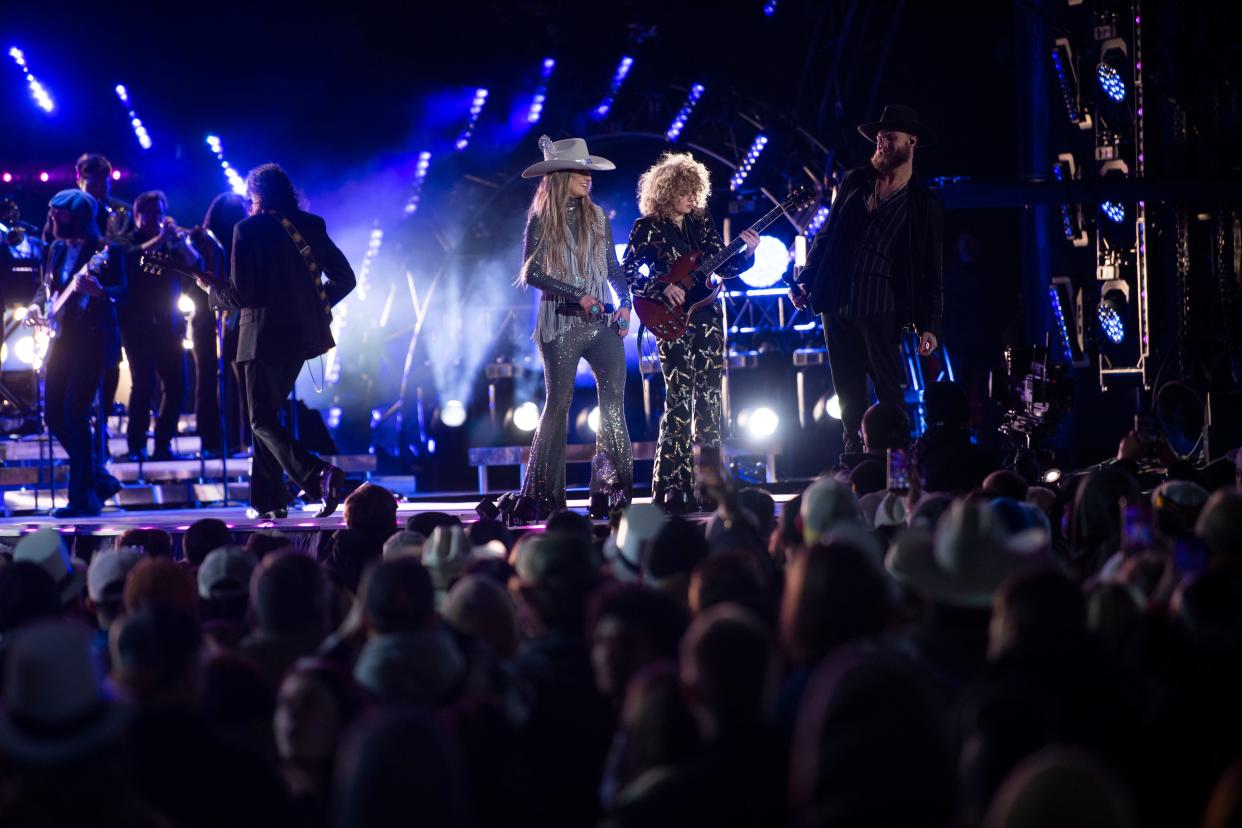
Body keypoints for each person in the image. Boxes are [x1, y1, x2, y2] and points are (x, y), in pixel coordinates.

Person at [197, 163, 355, 519]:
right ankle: (269, 501)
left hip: (260, 338)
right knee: (266, 420)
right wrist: (314, 308)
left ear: (256, 196)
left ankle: (316, 475)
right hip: (300, 337)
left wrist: (210, 291)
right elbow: (345, 279)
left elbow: (241, 294)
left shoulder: (247, 229)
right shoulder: (311, 225)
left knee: (261, 421)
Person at [791, 105, 944, 455]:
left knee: (889, 397)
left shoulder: (923, 202)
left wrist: (930, 324)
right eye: (879, 139)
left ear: (911, 142)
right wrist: (807, 280)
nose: (882, 144)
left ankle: (898, 471)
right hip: (838, 301)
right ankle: (855, 469)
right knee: (848, 399)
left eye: (890, 138)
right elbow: (826, 237)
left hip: (882, 306)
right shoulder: (856, 181)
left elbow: (931, 268)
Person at [623, 152, 759, 514]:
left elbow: (724, 267)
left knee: (712, 397)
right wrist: (660, 288)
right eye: (684, 190)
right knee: (680, 397)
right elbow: (625, 273)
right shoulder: (646, 227)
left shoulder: (702, 224)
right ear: (667, 190)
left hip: (708, 316)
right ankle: (672, 484)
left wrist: (747, 254)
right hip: (671, 317)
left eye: (695, 190)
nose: (690, 197)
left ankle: (710, 485)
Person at [511, 135, 633, 522]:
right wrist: (578, 294)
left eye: (589, 171)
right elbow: (531, 272)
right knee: (559, 403)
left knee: (613, 401)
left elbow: (613, 269)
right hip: (560, 323)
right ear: (561, 174)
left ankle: (611, 491)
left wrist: (626, 304)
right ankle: (545, 496)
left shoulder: (598, 217)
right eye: (581, 171)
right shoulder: (541, 217)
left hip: (601, 323)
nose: (587, 177)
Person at [27, 189, 126, 517]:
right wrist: (35, 308)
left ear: (79, 218)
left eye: (60, 215)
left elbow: (123, 291)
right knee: (53, 413)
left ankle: (83, 498)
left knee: (74, 412)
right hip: (63, 340)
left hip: (94, 341)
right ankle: (98, 478)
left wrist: (100, 292)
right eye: (53, 213)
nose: (53, 219)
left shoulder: (105, 251)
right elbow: (46, 288)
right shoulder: (55, 248)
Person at [114, 190, 195, 462]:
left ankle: (163, 445)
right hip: (137, 326)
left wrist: (178, 241)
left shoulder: (170, 244)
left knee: (177, 386)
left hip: (169, 326)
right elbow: (133, 260)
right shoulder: (127, 241)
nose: (157, 219)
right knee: (144, 384)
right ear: (137, 215)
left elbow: (196, 263)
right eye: (151, 213)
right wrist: (161, 238)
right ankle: (136, 447)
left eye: (160, 213)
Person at [187, 192, 250, 458]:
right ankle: (221, 441)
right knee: (218, 378)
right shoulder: (206, 241)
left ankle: (229, 441)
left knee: (231, 379)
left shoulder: (238, 242)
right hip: (210, 314)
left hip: (232, 314)